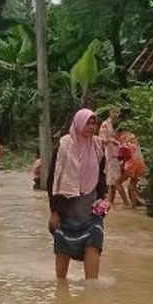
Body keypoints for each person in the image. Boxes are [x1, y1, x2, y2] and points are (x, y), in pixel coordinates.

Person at [47, 108, 110, 280]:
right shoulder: (64, 145)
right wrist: (54, 211)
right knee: (63, 249)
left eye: (93, 123)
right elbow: (53, 179)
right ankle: (61, 297)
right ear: (79, 123)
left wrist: (105, 198)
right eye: (88, 123)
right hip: (67, 207)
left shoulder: (97, 145)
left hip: (91, 208)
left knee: (93, 244)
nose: (91, 127)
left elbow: (101, 176)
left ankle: (92, 294)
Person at [98, 107, 123, 205]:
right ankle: (126, 202)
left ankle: (111, 201)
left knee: (113, 178)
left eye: (118, 112)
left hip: (116, 153)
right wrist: (111, 140)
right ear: (110, 112)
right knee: (114, 178)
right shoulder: (105, 125)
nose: (116, 114)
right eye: (114, 112)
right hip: (109, 153)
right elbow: (101, 140)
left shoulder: (116, 125)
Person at [117, 129, 146, 208]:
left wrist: (122, 166)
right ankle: (133, 206)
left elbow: (125, 153)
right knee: (132, 186)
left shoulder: (123, 137)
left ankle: (126, 203)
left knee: (117, 182)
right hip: (140, 163)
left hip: (132, 163)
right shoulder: (132, 136)